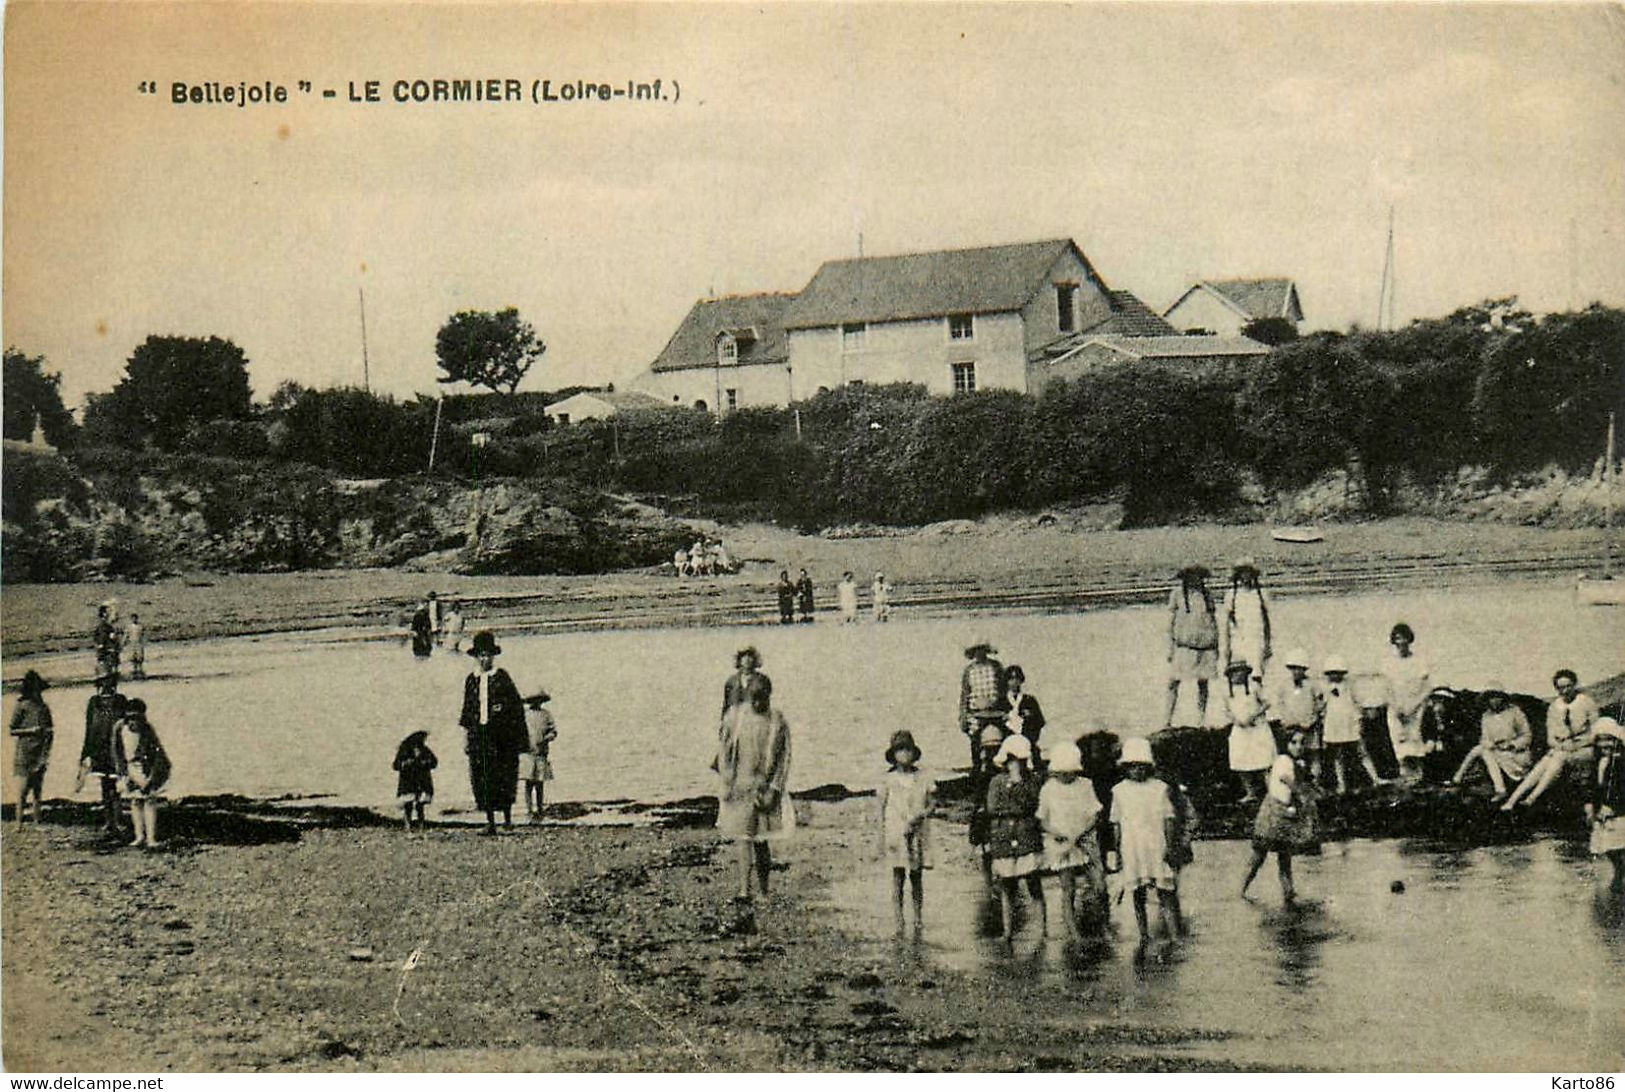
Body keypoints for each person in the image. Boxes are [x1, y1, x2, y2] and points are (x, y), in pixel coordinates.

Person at [716, 674, 793, 902]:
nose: (758, 703)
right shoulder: (736, 717)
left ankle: (764, 890)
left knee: (762, 841)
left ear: (769, 696)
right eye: (754, 699)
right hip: (741, 784)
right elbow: (724, 750)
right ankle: (744, 889)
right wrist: (727, 781)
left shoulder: (777, 721)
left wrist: (775, 788)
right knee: (743, 838)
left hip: (764, 786)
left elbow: (784, 758)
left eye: (763, 698)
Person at [1106, 737, 1184, 959]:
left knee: (1165, 891)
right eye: (1132, 766)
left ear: (1149, 767)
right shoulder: (1119, 791)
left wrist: (1169, 846)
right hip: (1132, 846)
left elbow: (1169, 818)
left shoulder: (1159, 788)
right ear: (1126, 768)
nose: (1137, 770)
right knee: (1137, 891)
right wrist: (1118, 851)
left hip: (1154, 843)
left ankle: (1174, 933)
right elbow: (1116, 823)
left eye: (1142, 766)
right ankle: (1143, 933)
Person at [458, 630, 527, 833]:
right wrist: (466, 739)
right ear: (476, 657)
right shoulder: (472, 679)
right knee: (483, 776)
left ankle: (506, 820)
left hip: (502, 737)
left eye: (487, 654)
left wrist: (502, 710)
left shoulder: (502, 677)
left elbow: (515, 706)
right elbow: (467, 710)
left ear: (493, 656)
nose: (484, 658)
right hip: (480, 736)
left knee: (504, 775)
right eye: (481, 655)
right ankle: (490, 822)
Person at [1242, 727, 1320, 904]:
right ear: (1286, 744)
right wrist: (1301, 793)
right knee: (1259, 855)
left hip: (1284, 813)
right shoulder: (1283, 760)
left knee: (1285, 856)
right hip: (1273, 812)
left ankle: (1288, 891)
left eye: (1302, 743)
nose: (1298, 746)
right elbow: (1286, 778)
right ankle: (1242, 889)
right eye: (1294, 742)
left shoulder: (1297, 762)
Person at [1504, 669, 1600, 811]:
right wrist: (1560, 745)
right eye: (1561, 687)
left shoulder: (1586, 702)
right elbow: (1551, 737)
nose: (1565, 691)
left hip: (1584, 747)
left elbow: (1597, 730)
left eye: (1568, 686)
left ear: (1574, 685)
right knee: (1541, 766)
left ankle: (1531, 798)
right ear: (1556, 688)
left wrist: (1577, 744)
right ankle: (1512, 801)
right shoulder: (1554, 707)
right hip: (1561, 748)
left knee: (1557, 758)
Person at [1037, 741, 1105, 938]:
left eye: (1070, 772)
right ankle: (1074, 933)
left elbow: (1095, 814)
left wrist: (1081, 833)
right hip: (1061, 843)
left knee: (1099, 885)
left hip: (1085, 840)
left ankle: (1098, 923)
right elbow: (1041, 819)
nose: (1066, 776)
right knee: (1068, 889)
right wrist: (1056, 833)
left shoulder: (1085, 785)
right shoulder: (1049, 789)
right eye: (1062, 772)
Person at [985, 734, 1046, 942]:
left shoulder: (1032, 781)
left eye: (1019, 761)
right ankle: (1008, 931)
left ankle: (1041, 930)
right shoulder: (996, 781)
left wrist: (1018, 787)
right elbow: (992, 808)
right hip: (1003, 838)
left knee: (1033, 883)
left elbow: (1031, 805)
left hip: (1026, 836)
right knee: (1007, 886)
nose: (1015, 765)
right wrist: (1014, 808)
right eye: (1011, 761)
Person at [877, 730, 933, 934]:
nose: (904, 755)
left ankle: (918, 916)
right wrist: (880, 836)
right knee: (898, 875)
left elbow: (932, 803)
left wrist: (921, 815)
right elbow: (881, 809)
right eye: (900, 751)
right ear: (893, 755)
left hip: (917, 831)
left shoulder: (922, 777)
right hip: (896, 832)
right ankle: (899, 917)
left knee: (916, 876)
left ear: (913, 753)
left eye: (907, 750)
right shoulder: (888, 779)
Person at [1450, 682, 1531, 800]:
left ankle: (1459, 778)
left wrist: (1511, 745)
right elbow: (1484, 738)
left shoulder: (1515, 712)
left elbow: (1527, 736)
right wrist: (1490, 744)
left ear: (1503, 698)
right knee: (1483, 750)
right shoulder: (1486, 716)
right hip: (1496, 752)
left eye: (1497, 696)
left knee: (1484, 752)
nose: (1494, 700)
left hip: (1515, 755)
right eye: (1491, 697)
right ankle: (1460, 777)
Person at [1321, 656, 1385, 795]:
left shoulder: (1349, 685)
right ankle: (1341, 784)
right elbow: (1323, 705)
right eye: (1331, 672)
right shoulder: (1325, 687)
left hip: (1348, 722)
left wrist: (1360, 717)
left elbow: (1357, 702)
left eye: (1337, 672)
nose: (1334, 675)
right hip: (1334, 724)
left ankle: (1375, 778)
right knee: (1338, 755)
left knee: (1361, 751)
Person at [113, 699, 170, 849]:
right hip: (129, 768)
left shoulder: (147, 730)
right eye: (130, 719)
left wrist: (151, 778)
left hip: (145, 768)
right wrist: (124, 774)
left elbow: (158, 754)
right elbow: (117, 753)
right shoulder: (120, 729)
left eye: (137, 719)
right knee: (135, 802)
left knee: (149, 800)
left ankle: (151, 838)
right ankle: (139, 836)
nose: (133, 723)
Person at [1166, 565, 1219, 728]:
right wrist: (1170, 647)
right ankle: (1167, 719)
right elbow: (1170, 623)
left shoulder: (1207, 595)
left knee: (1203, 683)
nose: (1195, 579)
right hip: (1184, 646)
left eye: (1198, 576)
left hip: (1205, 646)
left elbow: (1213, 621)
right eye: (1191, 576)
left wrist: (1217, 646)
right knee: (1173, 682)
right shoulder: (1177, 594)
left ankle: (1200, 719)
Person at [80, 669, 126, 838]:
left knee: (116, 786)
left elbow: (125, 726)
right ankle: (109, 821)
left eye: (109, 682)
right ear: (99, 684)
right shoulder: (93, 702)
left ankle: (119, 820)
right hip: (98, 748)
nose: (106, 685)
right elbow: (89, 728)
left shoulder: (120, 701)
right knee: (105, 786)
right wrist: (85, 752)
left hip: (115, 747)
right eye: (103, 682)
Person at [1384, 623, 1431, 782]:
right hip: (1396, 708)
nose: (1400, 642)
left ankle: (1419, 776)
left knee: (1415, 741)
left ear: (1409, 639)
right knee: (1400, 742)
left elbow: (1426, 688)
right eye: (1397, 638)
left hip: (1415, 708)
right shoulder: (1389, 662)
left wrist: (1414, 706)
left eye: (1403, 637)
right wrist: (1396, 707)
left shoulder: (1419, 660)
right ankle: (1404, 775)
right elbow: (1387, 688)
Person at [1224, 661, 1276, 803]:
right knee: (1239, 761)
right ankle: (1250, 792)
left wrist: (1253, 715)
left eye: (1240, 671)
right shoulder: (1227, 691)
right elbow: (1227, 711)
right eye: (1234, 672)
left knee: (1265, 761)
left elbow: (1266, 703)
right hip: (1240, 730)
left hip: (1257, 728)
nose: (1237, 674)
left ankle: (1272, 793)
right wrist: (1237, 720)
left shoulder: (1254, 686)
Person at [9, 670, 55, 828]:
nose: (37, 692)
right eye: (35, 689)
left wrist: (47, 751)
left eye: (38, 689)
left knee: (37, 789)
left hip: (40, 752)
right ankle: (18, 822)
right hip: (24, 753)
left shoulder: (43, 707)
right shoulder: (21, 706)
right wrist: (30, 731)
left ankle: (37, 821)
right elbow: (12, 730)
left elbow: (50, 730)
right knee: (22, 790)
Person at [1585, 718, 1625, 893]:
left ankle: (1620, 874)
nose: (1605, 744)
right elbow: (1592, 785)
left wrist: (1612, 806)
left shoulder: (1621, 763)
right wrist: (1589, 804)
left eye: (1609, 739)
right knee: (1607, 846)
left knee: (1619, 843)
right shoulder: (1597, 762)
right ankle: (1619, 869)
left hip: (1619, 811)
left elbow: (1620, 788)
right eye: (1601, 740)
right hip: (1601, 811)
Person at [1219, 557, 1272, 682]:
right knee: (1239, 676)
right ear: (1238, 575)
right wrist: (1226, 647)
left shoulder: (1261, 594)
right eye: (1243, 573)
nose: (1246, 576)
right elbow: (1227, 623)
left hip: (1256, 639)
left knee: (1257, 675)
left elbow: (1266, 621)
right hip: (1238, 640)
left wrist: (1268, 644)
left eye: (1248, 572)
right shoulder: (1232, 595)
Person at [960, 640, 1008, 776]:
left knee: (1000, 739)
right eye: (976, 650)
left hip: (996, 712)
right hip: (977, 713)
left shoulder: (995, 666)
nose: (979, 653)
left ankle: (1000, 768)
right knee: (975, 740)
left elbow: (1003, 690)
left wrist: (1005, 710)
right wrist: (963, 715)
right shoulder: (969, 670)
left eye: (982, 649)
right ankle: (977, 770)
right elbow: (965, 694)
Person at [1271, 649, 1321, 780]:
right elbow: (1280, 704)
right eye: (1293, 668)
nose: (1296, 672)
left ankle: (1314, 781)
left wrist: (1312, 720)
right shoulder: (1284, 685)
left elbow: (1319, 703)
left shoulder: (1312, 684)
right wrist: (1286, 720)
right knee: (1294, 754)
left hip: (1308, 725)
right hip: (1292, 727)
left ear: (1305, 669)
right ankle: (1297, 782)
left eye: (1299, 669)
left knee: (1313, 753)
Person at [520, 692, 557, 823]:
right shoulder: (524, 714)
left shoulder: (546, 714)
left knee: (539, 783)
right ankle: (529, 810)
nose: (536, 703)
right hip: (527, 752)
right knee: (528, 783)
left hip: (541, 752)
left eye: (538, 700)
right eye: (533, 700)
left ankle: (540, 809)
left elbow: (553, 731)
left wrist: (547, 738)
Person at [393, 730, 438, 831]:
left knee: (420, 805)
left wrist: (425, 763)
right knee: (408, 805)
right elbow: (396, 765)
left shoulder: (424, 750)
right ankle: (408, 824)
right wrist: (407, 763)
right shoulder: (404, 751)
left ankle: (421, 824)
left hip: (421, 781)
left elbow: (434, 762)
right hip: (408, 781)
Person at [1004, 665, 1046, 757]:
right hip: (1008, 740)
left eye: (1017, 679)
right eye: (1011, 679)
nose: (1014, 682)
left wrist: (1030, 717)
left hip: (1027, 738)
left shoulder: (1029, 700)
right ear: (1006, 681)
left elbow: (1040, 721)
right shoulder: (1002, 701)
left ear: (1021, 680)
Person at [93, 603, 120, 678]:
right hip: (107, 654)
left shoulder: (104, 626)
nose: (109, 614)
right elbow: (101, 641)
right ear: (104, 614)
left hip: (107, 653)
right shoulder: (104, 627)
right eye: (108, 612)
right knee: (107, 676)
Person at [124, 613, 147, 680]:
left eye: (135, 618)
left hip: (139, 644)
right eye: (132, 618)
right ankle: (134, 672)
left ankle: (140, 672)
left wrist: (144, 643)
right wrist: (124, 642)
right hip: (132, 644)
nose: (134, 619)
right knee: (133, 658)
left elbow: (144, 635)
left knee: (140, 658)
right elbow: (126, 635)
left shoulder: (140, 626)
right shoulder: (129, 627)